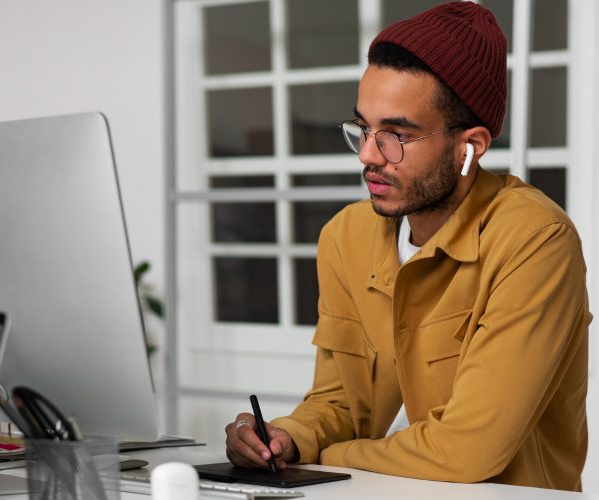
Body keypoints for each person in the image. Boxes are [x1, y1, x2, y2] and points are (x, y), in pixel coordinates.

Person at [224, 1, 591, 491]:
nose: (370, 156)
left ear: (470, 146)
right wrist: (287, 439)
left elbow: (467, 452)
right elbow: (339, 403)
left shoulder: (535, 240)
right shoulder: (346, 236)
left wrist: (328, 455)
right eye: (364, 129)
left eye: (397, 135)